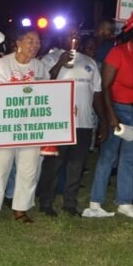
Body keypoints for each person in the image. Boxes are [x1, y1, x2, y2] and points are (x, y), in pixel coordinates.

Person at [84, 13, 133, 219]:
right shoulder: (117, 53)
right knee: (108, 156)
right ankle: (95, 203)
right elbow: (105, 87)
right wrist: (111, 116)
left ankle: (125, 202)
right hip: (118, 109)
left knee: (130, 158)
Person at [38, 25, 104, 217]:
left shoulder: (89, 62)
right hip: (59, 124)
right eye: (69, 34)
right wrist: (59, 63)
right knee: (54, 165)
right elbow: (42, 86)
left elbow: (97, 94)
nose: (73, 37)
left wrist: (103, 122)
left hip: (83, 123)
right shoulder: (49, 59)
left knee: (76, 165)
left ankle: (70, 203)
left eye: (76, 35)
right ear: (61, 37)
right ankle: (46, 202)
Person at [0, 28, 49, 224]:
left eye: (37, 42)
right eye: (30, 41)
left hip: (31, 129)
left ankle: (21, 208)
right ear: (18, 43)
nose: (35, 45)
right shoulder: (0, 65)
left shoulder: (40, 68)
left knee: (29, 169)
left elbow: (49, 96)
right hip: (5, 128)